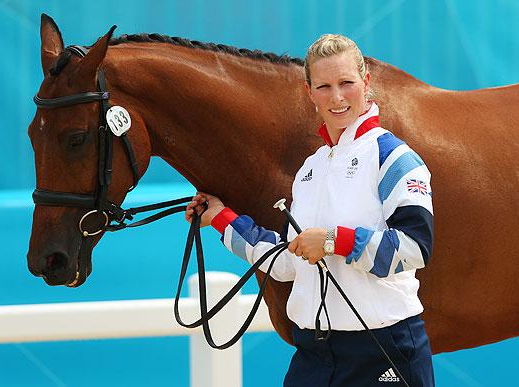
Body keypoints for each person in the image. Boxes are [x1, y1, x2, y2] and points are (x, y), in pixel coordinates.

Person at [186, 34, 435, 387]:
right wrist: (221, 218)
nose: (336, 97)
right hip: (315, 355)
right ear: (309, 93)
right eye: (324, 86)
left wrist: (334, 241)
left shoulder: (394, 159)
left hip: (384, 350)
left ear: (365, 83)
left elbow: (414, 248)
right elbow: (289, 264)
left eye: (346, 83)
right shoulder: (309, 170)